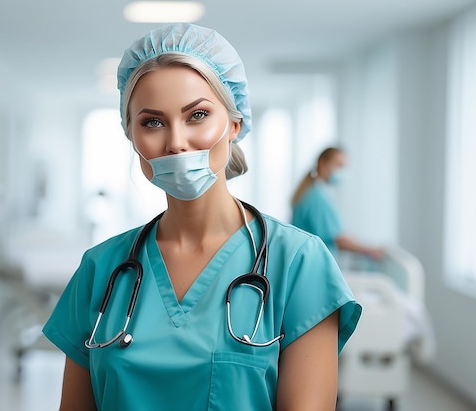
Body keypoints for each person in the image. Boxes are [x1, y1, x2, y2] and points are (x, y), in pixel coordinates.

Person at [43, 24, 361, 411]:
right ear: (131, 135)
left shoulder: (298, 263)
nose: (176, 141)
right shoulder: (101, 268)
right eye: (152, 122)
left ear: (234, 124)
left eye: (197, 115)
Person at [291, 147, 384, 261]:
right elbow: (338, 239)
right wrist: (369, 249)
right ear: (323, 164)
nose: (342, 172)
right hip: (315, 264)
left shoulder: (310, 191)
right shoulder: (317, 198)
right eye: (339, 166)